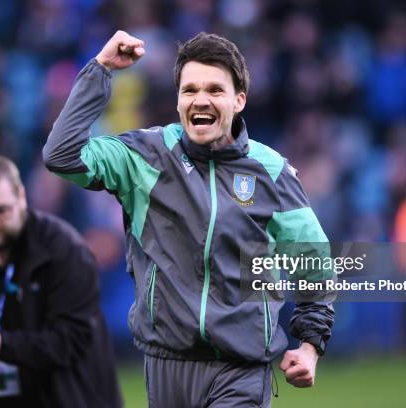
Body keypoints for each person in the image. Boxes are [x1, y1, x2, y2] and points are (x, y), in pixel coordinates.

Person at [43, 30, 335, 407]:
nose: (201, 100)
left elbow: (314, 264)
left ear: (239, 100)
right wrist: (100, 70)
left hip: (241, 370)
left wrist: (310, 347)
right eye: (190, 90)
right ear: (179, 101)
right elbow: (62, 156)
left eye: (215, 90)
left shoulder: (271, 172)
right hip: (166, 368)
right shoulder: (144, 158)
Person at [0, 154, 122, 408]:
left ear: (21, 197)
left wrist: (1, 344)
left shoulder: (64, 250)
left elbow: (71, 340)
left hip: (66, 395)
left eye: (0, 211)